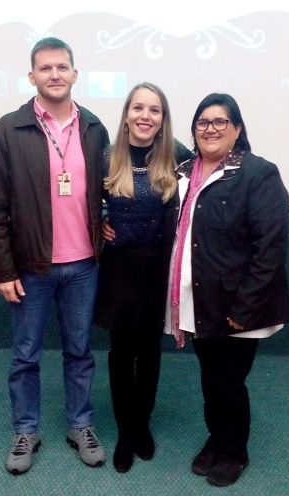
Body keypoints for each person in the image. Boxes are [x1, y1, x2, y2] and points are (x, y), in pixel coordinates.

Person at [0, 37, 110, 475]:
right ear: (32, 76)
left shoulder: (94, 128)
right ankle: (25, 430)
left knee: (80, 351)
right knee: (25, 356)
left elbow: (107, 189)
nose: (55, 74)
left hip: (84, 265)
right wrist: (3, 270)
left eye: (62, 67)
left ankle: (80, 424)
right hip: (30, 268)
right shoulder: (8, 130)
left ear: (75, 73)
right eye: (45, 68)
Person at [164, 93, 289, 487]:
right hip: (198, 300)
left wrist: (245, 308)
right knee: (210, 376)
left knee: (228, 381)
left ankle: (234, 451)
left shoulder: (258, 174)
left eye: (220, 121)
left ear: (237, 129)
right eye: (203, 122)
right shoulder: (184, 171)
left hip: (237, 305)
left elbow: (270, 247)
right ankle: (217, 439)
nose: (210, 129)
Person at [94, 82, 193, 473]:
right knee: (121, 353)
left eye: (154, 110)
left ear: (162, 119)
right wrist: (98, 224)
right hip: (119, 269)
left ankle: (141, 425)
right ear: (126, 115)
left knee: (150, 351)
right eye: (138, 108)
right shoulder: (106, 157)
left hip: (158, 268)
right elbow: (80, 205)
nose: (145, 116)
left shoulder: (177, 155)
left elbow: (201, 192)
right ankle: (124, 431)